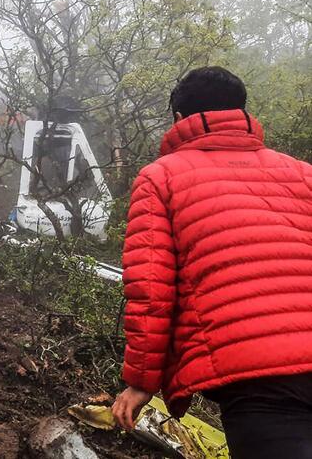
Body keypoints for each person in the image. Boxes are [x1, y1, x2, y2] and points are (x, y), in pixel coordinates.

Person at [111, 66, 312, 457]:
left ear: (179, 118)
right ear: (241, 111)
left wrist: (141, 381)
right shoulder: (303, 174)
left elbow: (151, 289)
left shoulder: (161, 178)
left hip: (258, 375)